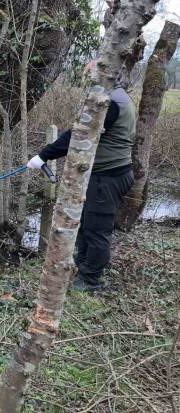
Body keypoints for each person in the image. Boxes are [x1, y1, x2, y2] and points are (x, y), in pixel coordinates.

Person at [27, 68, 136, 293]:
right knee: (86, 224)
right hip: (106, 174)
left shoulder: (112, 103)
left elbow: (80, 135)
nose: (89, 78)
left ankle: (90, 280)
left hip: (108, 177)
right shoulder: (117, 98)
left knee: (97, 231)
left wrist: (43, 155)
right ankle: (83, 266)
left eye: (93, 75)